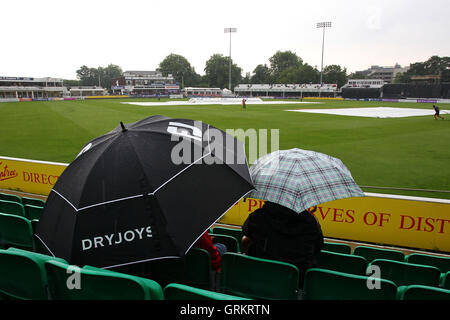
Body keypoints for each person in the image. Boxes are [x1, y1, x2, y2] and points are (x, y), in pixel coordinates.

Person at [241, 201, 324, 289]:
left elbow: (246, 231)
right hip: (295, 282)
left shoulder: (259, 214)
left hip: (258, 275)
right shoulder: (311, 222)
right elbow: (318, 247)